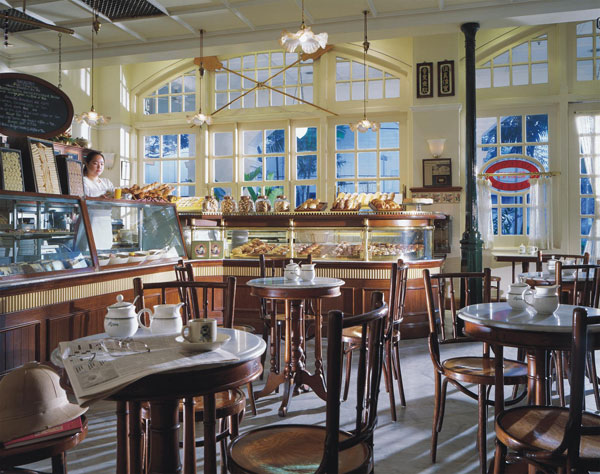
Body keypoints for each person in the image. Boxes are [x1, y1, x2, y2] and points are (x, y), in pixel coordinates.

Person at [82, 151, 115, 250]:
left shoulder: (106, 182)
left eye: (102, 164)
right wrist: (98, 198)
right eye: (95, 163)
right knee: (89, 252)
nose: (99, 166)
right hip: (89, 222)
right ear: (87, 164)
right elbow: (82, 201)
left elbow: (115, 196)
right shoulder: (83, 181)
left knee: (105, 253)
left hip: (106, 223)